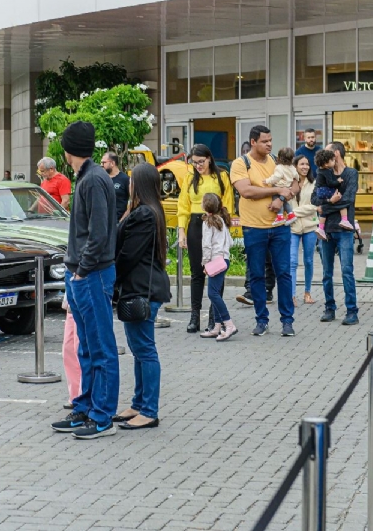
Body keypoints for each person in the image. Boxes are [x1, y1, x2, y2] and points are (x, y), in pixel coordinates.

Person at [51, 121, 119, 440]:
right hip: (83, 272)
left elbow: (99, 231)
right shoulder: (88, 177)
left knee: (100, 346)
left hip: (91, 273)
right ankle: (86, 407)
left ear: (69, 149)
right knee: (87, 346)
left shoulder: (92, 179)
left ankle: (101, 415)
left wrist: (81, 269)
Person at [111, 162, 170, 431]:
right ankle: (138, 404)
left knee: (144, 350)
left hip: (142, 288)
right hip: (140, 287)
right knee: (139, 349)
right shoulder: (145, 210)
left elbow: (128, 254)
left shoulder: (144, 213)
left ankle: (149, 410)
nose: (128, 183)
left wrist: (112, 278)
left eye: (133, 180)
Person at [230, 125, 299, 337]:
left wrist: (280, 199)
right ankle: (261, 320)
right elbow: (246, 191)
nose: (269, 144)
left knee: (284, 273)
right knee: (257, 276)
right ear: (253, 142)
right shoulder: (241, 163)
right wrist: (278, 190)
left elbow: (295, 184)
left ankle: (287, 321)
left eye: (270, 140)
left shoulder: (275, 161)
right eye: (264, 141)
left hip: (279, 228)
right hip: (254, 228)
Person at [176, 144, 235, 333]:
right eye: (194, 163)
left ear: (209, 159)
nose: (198, 166)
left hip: (215, 223)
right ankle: (195, 316)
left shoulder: (222, 176)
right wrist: (181, 231)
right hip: (195, 223)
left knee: (216, 269)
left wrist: (225, 227)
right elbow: (183, 205)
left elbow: (228, 204)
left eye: (201, 162)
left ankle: (214, 316)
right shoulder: (189, 178)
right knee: (196, 272)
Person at [312, 141, 359, 326]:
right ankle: (329, 308)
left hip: (344, 229)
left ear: (336, 153)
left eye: (328, 151)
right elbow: (313, 198)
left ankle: (352, 311)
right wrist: (327, 203)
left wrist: (325, 206)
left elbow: (349, 199)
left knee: (347, 271)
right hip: (326, 231)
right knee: (326, 272)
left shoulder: (351, 174)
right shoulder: (323, 173)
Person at [199, 193, 236, 341]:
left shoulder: (208, 222)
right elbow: (231, 242)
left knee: (213, 294)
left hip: (215, 261)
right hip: (224, 260)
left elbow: (207, 245)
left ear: (205, 206)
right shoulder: (221, 220)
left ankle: (229, 324)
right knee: (216, 293)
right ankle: (216, 327)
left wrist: (205, 263)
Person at [290, 154, 319, 306]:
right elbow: (286, 203)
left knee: (308, 260)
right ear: (295, 166)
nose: (305, 167)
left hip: (310, 226)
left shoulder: (314, 184)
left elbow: (315, 206)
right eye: (301, 164)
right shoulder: (289, 183)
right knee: (292, 262)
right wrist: (294, 213)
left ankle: (307, 292)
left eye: (307, 164)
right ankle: (292, 295)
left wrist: (294, 212)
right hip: (293, 227)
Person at [313, 149, 354, 237]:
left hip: (320, 191)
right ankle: (344, 219)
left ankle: (320, 227)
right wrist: (338, 181)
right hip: (325, 190)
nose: (334, 161)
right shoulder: (327, 171)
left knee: (323, 211)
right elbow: (330, 183)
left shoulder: (319, 171)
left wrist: (324, 206)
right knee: (339, 197)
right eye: (332, 160)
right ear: (326, 164)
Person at [264, 147, 299, 226]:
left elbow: (276, 177)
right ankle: (291, 214)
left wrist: (267, 181)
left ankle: (280, 216)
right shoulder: (292, 167)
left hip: (279, 186)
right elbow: (296, 176)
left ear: (279, 157)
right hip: (288, 186)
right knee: (285, 202)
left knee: (276, 198)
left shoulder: (279, 167)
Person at [61, 296, 81, 410]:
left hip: (84, 298)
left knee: (80, 350)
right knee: (68, 350)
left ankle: (83, 396)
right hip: (72, 300)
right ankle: (75, 395)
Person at [101, 152, 130, 220]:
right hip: (103, 222)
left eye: (104, 162)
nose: (101, 165)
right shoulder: (101, 179)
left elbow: (134, 201)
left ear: (112, 163)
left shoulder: (125, 179)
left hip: (118, 222)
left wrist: (122, 221)